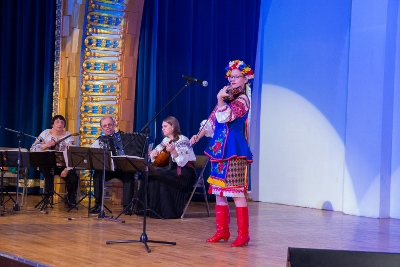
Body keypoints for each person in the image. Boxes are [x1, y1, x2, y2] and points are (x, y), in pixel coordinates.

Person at [190, 59, 254, 247]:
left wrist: (219, 99)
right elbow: (213, 119)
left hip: (233, 149)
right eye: (231, 77)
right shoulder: (228, 96)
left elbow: (226, 116)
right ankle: (222, 231)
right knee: (219, 192)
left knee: (236, 192)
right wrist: (199, 135)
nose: (233, 80)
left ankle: (243, 234)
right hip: (219, 147)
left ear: (245, 79)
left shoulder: (243, 100)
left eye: (236, 77)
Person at [134, 116, 197, 219]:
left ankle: (166, 211)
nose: (162, 128)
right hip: (171, 168)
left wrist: (173, 151)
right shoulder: (166, 140)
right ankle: (149, 209)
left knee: (160, 176)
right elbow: (158, 156)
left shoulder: (183, 140)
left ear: (172, 127)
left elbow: (182, 162)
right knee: (149, 173)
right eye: (162, 126)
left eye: (165, 126)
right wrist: (153, 155)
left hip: (185, 172)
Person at [30, 115, 80, 208]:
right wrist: (44, 145)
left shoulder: (68, 136)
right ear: (52, 124)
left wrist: (67, 169)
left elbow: (72, 154)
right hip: (47, 164)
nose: (60, 124)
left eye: (62, 122)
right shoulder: (45, 133)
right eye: (57, 122)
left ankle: (71, 200)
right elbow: (32, 149)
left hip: (64, 166)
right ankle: (47, 198)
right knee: (48, 171)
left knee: (73, 177)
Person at [90, 116, 136, 214]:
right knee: (97, 173)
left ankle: (127, 206)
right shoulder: (98, 141)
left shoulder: (124, 137)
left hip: (122, 169)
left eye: (110, 124)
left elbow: (132, 152)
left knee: (129, 173)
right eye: (105, 126)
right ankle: (98, 204)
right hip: (107, 169)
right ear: (102, 128)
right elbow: (92, 157)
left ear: (114, 125)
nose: (108, 127)